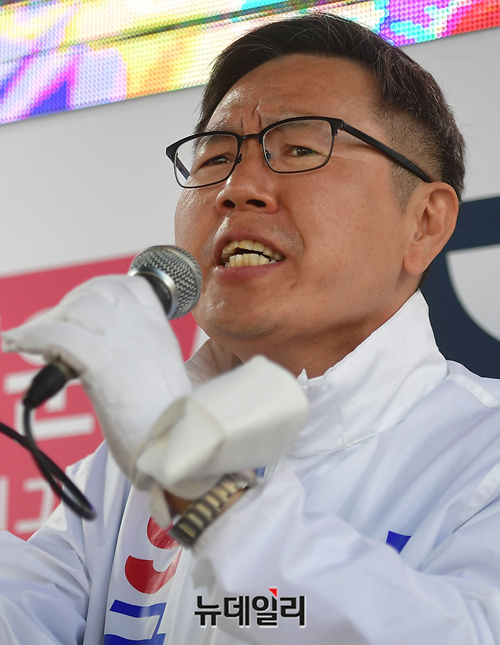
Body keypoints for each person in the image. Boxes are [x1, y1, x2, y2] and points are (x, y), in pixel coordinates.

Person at [1, 11, 500, 644]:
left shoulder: (484, 457)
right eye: (216, 157)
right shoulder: (120, 476)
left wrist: (200, 487)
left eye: (299, 149)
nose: (238, 189)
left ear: (425, 222)